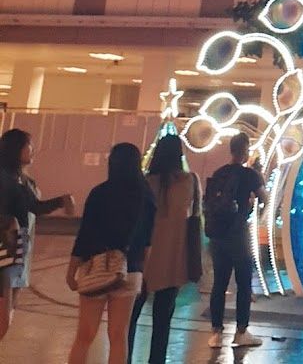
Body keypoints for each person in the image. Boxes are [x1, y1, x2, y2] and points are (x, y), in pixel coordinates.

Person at [66, 143, 154, 364]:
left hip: (96, 267)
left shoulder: (99, 193)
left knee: (85, 335)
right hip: (130, 269)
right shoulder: (147, 197)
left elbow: (84, 236)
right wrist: (143, 272)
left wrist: (71, 271)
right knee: (118, 336)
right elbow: (147, 243)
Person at [127, 134, 198, 364]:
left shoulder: (145, 183)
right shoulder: (190, 182)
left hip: (143, 258)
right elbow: (195, 219)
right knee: (163, 319)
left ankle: (123, 357)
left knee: (130, 316)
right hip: (174, 259)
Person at [0, 129, 75, 343]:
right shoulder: (4, 178)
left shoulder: (21, 179)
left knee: (11, 304)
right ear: (16, 149)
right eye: (28, 145)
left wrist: (62, 201)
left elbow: (34, 207)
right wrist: (6, 221)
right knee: (4, 308)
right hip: (6, 241)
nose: (32, 150)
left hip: (18, 242)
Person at [206, 132, 266, 348]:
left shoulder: (219, 173)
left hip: (217, 237)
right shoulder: (249, 174)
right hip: (238, 236)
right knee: (243, 284)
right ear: (246, 150)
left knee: (219, 284)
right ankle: (241, 332)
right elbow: (265, 198)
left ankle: (216, 333)